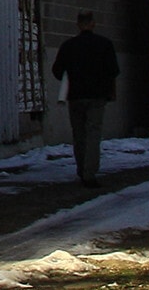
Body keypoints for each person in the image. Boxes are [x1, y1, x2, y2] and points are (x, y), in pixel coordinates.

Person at [51, 12, 119, 186]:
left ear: (78, 25)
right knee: (93, 134)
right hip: (97, 95)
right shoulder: (104, 44)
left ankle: (82, 169)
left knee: (79, 134)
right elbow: (113, 70)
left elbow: (57, 70)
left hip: (75, 95)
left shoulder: (68, 46)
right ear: (93, 24)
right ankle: (90, 172)